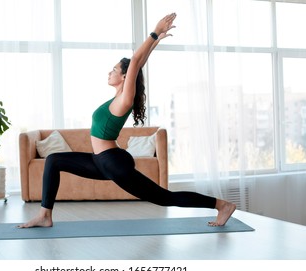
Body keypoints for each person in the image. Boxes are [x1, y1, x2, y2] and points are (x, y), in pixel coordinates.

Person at [18, 13, 236, 228]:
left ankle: (221, 205)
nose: (109, 72)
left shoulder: (124, 100)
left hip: (113, 163)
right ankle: (45, 215)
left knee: (164, 198)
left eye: (114, 69)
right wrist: (155, 43)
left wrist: (154, 32)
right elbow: (137, 63)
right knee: (53, 160)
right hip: (100, 161)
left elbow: (134, 62)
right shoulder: (117, 97)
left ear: (124, 76)